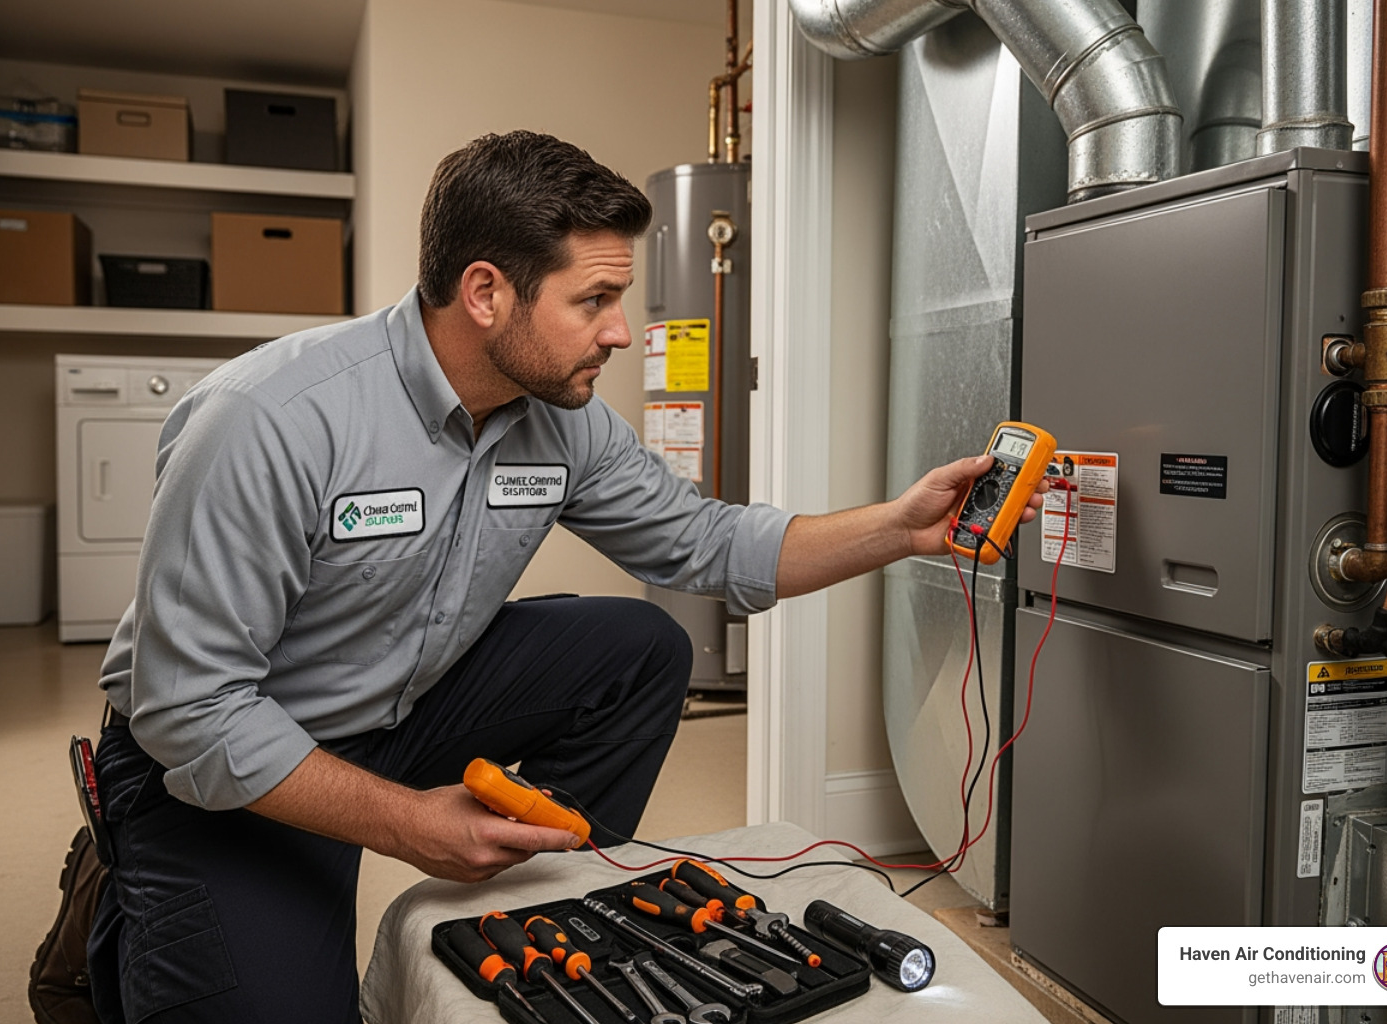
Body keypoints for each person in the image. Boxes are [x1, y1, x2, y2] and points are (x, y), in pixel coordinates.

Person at [82, 130, 1044, 1022]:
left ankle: (539, 881)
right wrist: (405, 823)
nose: (622, 333)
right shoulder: (270, 421)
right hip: (212, 766)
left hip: (399, 704)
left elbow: (705, 544)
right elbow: (191, 709)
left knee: (637, 647)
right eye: (594, 301)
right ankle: (134, 895)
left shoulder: (563, 419)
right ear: (487, 291)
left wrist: (899, 528)